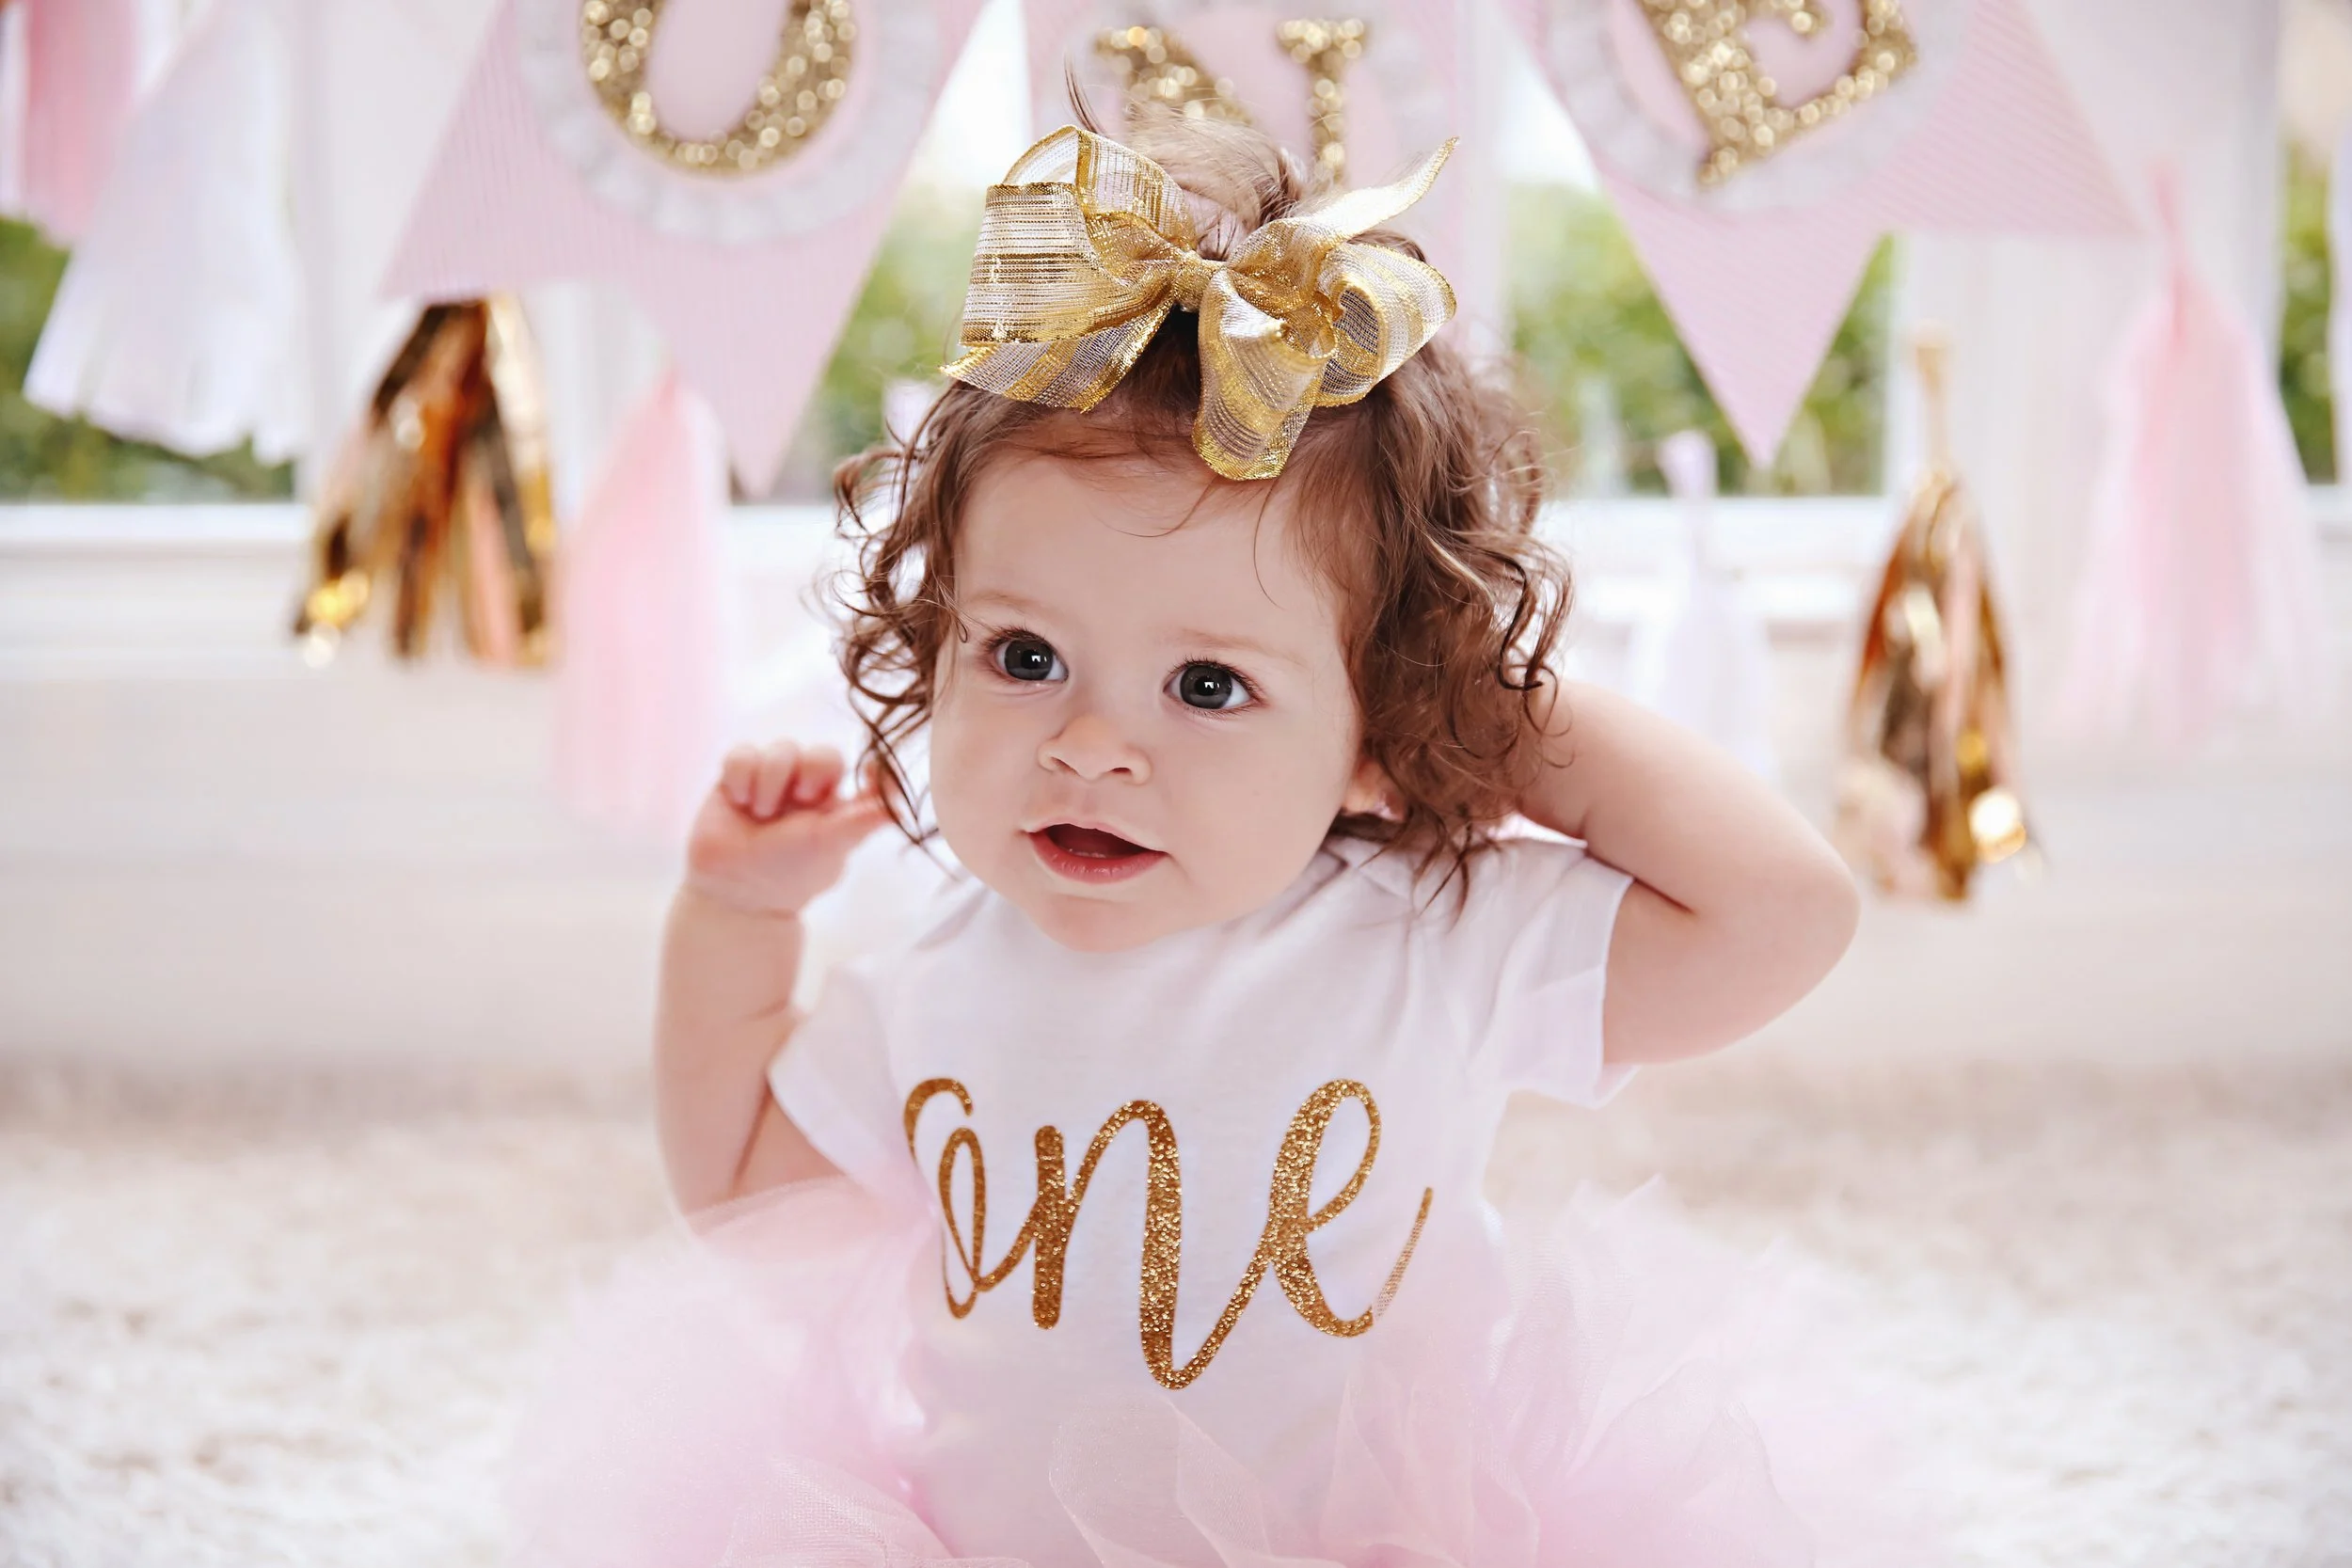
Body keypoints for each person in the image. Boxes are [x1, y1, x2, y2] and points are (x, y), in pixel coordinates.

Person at [510, 116, 1915, 1568]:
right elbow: (746, 1196)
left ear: (1369, 715)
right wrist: (734, 921)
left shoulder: (1437, 935)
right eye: (1025, 654)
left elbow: (1782, 914)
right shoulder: (930, 981)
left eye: (1206, 686)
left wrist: (1456, 709)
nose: (1093, 744)